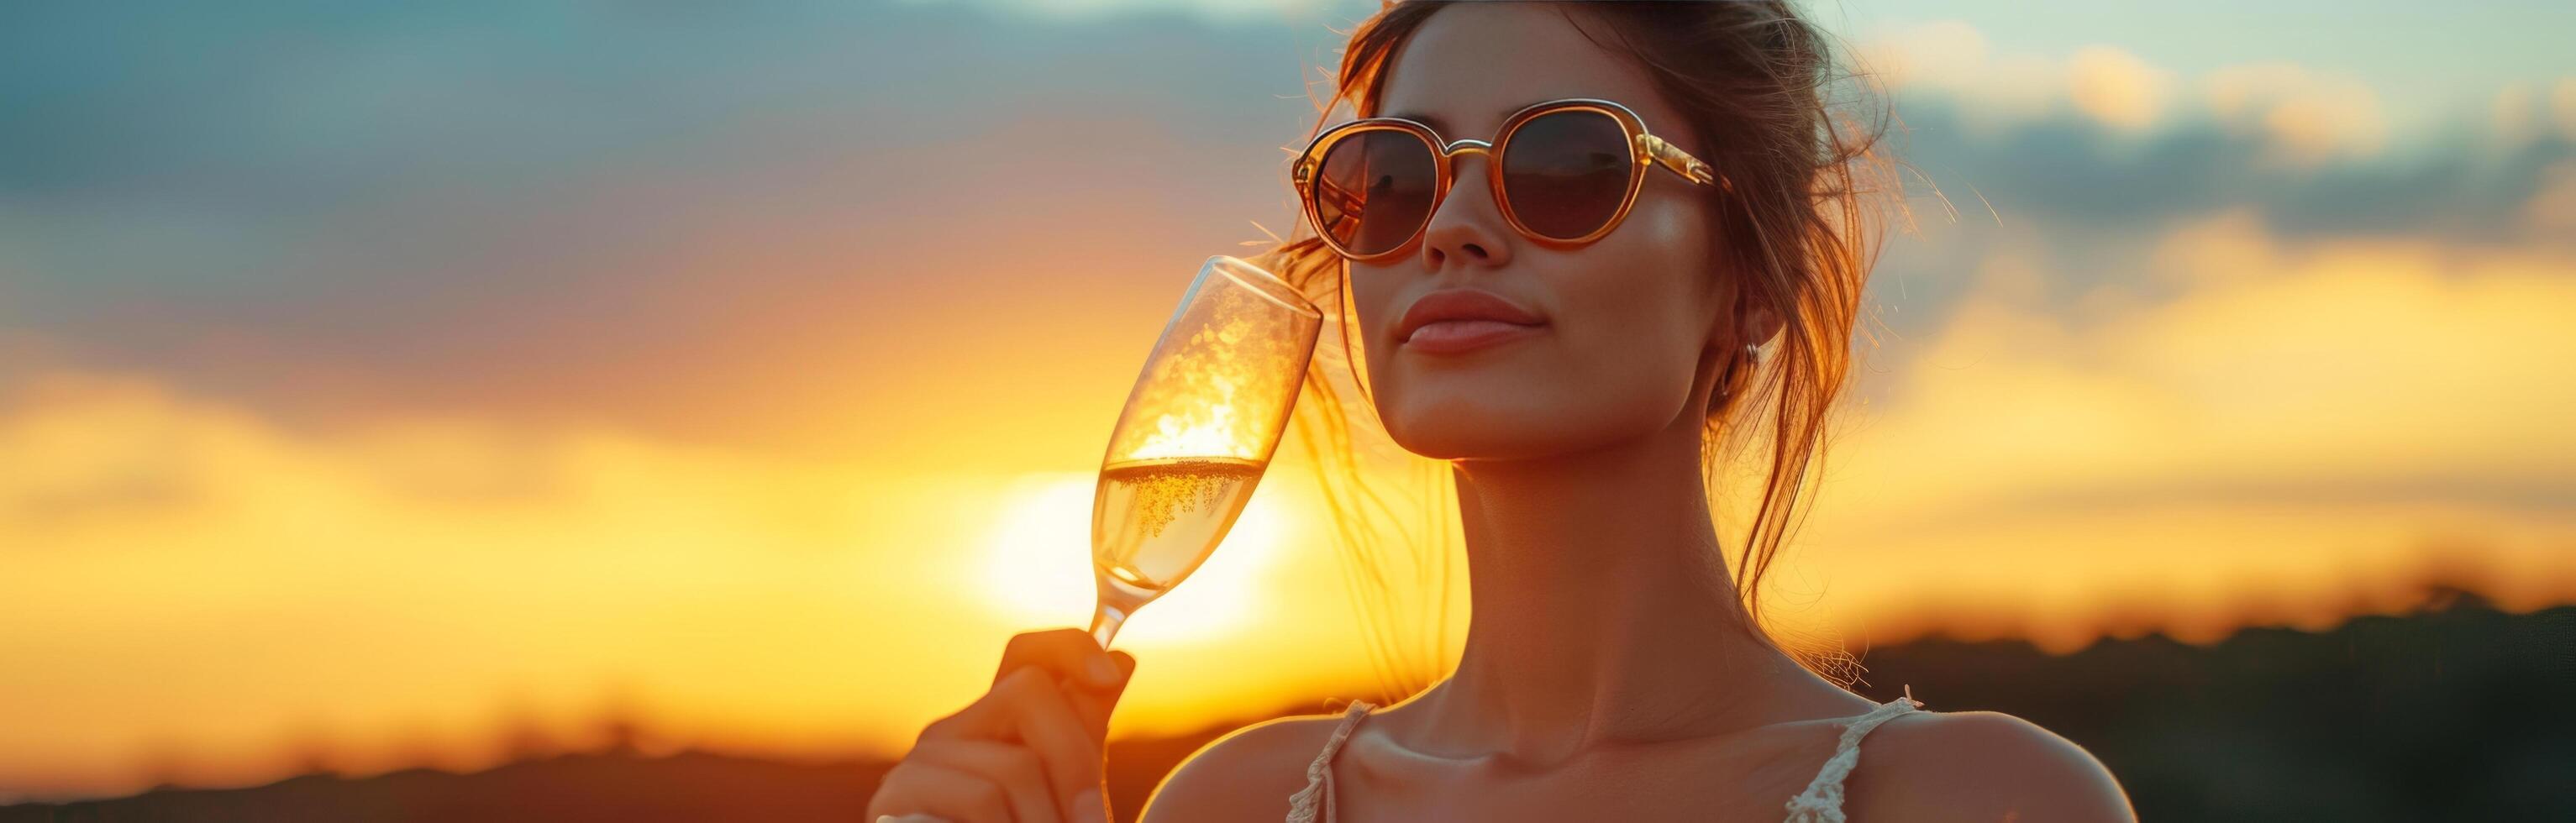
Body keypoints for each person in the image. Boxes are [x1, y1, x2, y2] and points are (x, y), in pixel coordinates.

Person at [866, 2, 2137, 820]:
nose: (1456, 228)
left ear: (1751, 285)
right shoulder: (1230, 804)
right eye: (1392, 177)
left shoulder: (1976, 800)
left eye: (1565, 164)